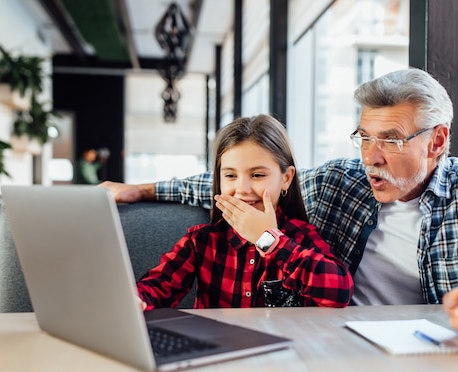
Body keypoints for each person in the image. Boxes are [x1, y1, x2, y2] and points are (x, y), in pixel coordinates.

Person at [101, 68, 458, 346]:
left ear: (437, 141)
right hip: (334, 344)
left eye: (391, 140)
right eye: (365, 137)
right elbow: (241, 183)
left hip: (431, 353)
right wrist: (139, 190)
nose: (371, 156)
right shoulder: (342, 180)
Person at [135, 114, 353, 310]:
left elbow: (340, 292)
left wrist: (268, 240)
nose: (243, 189)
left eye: (257, 175)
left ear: (286, 178)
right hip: (218, 349)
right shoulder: (201, 241)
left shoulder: (301, 238)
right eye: (230, 176)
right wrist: (137, 300)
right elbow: (157, 287)